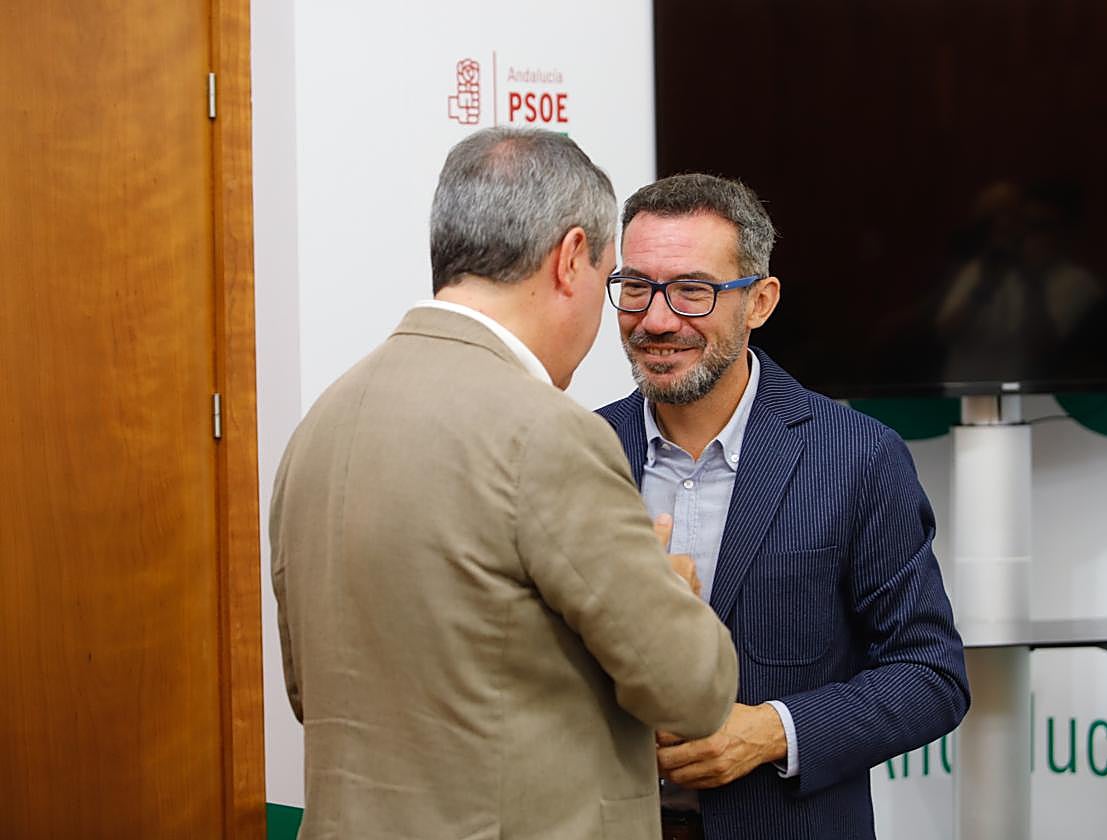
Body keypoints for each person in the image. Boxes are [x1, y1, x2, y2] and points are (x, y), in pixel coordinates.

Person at [270, 130, 738, 840]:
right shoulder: (549, 433)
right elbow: (694, 692)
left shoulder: (323, 422)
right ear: (571, 258)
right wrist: (663, 589)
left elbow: (314, 695)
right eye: (617, 277)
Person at [597, 173, 970, 840]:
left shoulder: (857, 457)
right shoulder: (578, 451)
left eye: (692, 291)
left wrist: (773, 732)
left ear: (760, 301)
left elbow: (930, 675)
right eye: (635, 287)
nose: (656, 319)